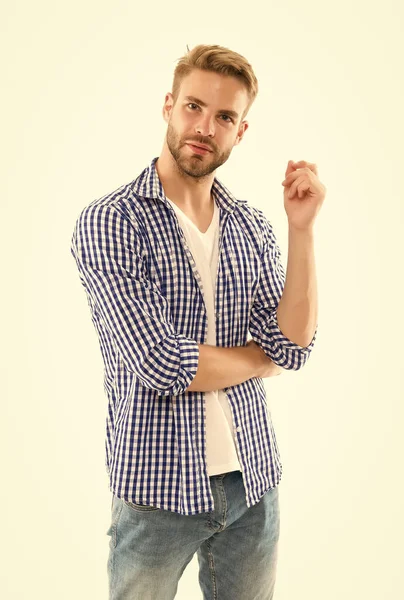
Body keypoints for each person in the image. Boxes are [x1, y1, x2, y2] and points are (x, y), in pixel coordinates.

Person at [70, 43, 325, 600]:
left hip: (253, 485)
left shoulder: (251, 226)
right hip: (155, 493)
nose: (205, 126)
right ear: (168, 106)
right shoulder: (111, 222)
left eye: (225, 116)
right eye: (193, 107)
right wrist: (262, 359)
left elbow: (295, 346)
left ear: (241, 130)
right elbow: (162, 363)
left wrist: (300, 229)